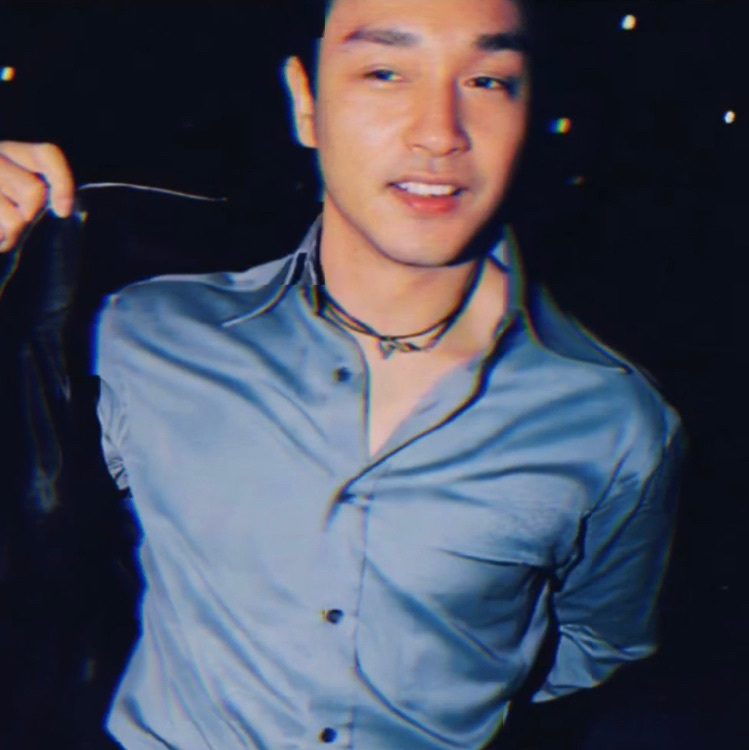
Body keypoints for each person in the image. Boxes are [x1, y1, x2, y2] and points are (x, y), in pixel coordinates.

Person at [0, 0, 682, 748]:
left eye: (487, 80)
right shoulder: (142, 332)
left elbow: (594, 644)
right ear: (306, 104)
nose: (438, 133)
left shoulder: (613, 419)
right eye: (385, 72)